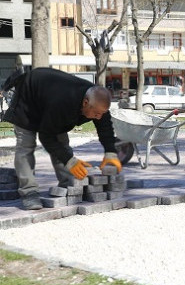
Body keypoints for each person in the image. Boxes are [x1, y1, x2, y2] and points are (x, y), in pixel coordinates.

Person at [1, 68, 122, 210]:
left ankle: (69, 184)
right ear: (85, 103)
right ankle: (29, 192)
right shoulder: (63, 102)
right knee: (26, 146)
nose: (99, 117)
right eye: (96, 113)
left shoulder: (98, 101)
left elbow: (105, 126)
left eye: (102, 113)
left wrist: (110, 152)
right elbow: (46, 137)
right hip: (28, 100)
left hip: (50, 100)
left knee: (62, 144)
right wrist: (70, 161)